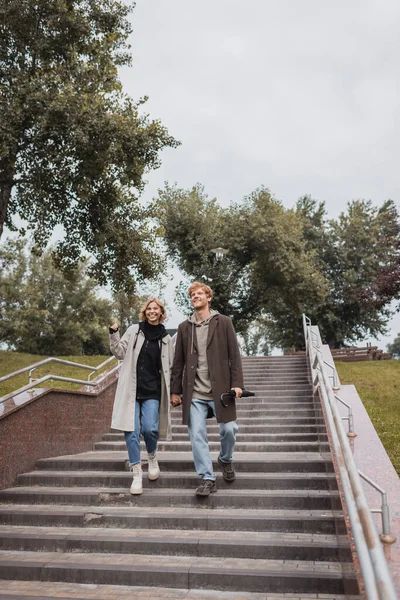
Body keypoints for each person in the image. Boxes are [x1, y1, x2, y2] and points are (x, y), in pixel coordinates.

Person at [170, 281, 243, 497]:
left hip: (221, 391)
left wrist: (237, 384)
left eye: (199, 294)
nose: (195, 297)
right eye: (192, 295)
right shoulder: (185, 328)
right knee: (197, 435)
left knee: (230, 430)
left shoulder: (224, 322)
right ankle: (207, 477)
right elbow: (178, 362)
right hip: (195, 393)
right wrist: (175, 391)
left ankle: (226, 459)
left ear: (209, 298)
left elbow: (234, 357)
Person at [109, 298, 174, 495]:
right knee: (131, 431)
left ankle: (152, 456)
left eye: (156, 309)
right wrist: (114, 333)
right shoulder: (134, 330)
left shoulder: (166, 338)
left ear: (161, 313)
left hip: (152, 390)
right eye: (149, 309)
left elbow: (169, 366)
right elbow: (119, 352)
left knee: (150, 429)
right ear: (145, 312)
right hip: (132, 389)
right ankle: (137, 473)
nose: (152, 311)